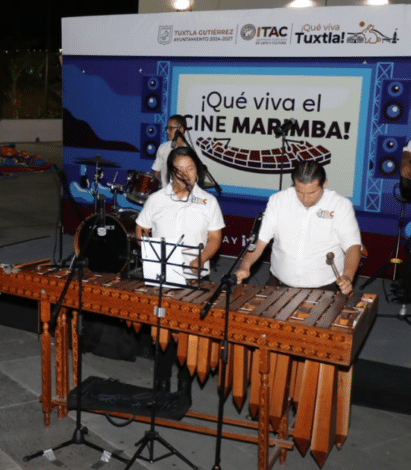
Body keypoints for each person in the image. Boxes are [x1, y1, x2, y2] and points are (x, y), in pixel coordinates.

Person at [135, 146, 224, 404]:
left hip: (194, 279)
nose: (186, 174)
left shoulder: (209, 201)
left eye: (191, 168)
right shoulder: (156, 199)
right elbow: (141, 227)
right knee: (163, 332)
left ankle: (184, 386)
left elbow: (215, 238)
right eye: (180, 169)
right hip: (162, 278)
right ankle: (161, 383)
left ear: (198, 171)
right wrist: (148, 250)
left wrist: (202, 258)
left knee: (189, 335)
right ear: (170, 172)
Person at [235, 160, 361, 295]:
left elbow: (352, 246)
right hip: (278, 284)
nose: (305, 198)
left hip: (326, 288)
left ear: (324, 184)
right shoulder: (278, 201)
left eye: (312, 193)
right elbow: (260, 240)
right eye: (299, 191)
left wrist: (348, 276)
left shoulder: (340, 205)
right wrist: (245, 265)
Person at [152, 115, 204, 189]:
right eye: (167, 128)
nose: (167, 131)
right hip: (166, 193)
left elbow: (198, 174)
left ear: (181, 129)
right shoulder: (163, 148)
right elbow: (156, 171)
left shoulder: (194, 149)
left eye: (171, 128)